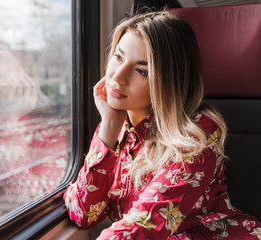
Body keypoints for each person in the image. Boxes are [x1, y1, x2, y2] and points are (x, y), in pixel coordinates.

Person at [63, 11, 261, 239]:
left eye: (141, 71)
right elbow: (82, 214)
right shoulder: (116, 128)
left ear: (167, 81)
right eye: (118, 57)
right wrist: (108, 125)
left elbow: (144, 225)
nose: (117, 76)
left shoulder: (198, 134)